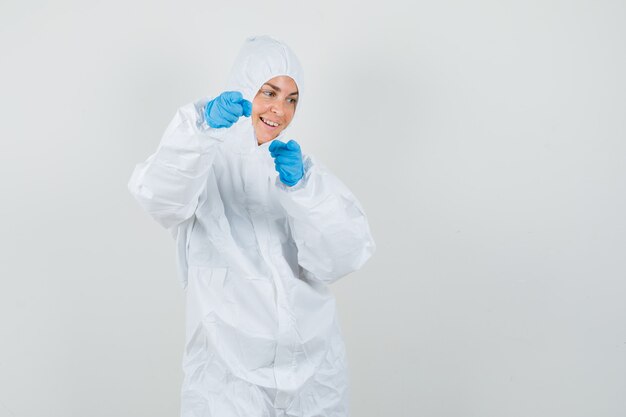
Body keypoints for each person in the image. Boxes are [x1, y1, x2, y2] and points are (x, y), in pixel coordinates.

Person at [127, 35, 375, 417]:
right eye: (269, 92)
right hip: (228, 377)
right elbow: (161, 197)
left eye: (292, 99)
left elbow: (342, 257)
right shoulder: (204, 161)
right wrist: (201, 128)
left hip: (312, 371)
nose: (280, 109)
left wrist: (304, 190)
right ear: (243, 90)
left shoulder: (295, 169)